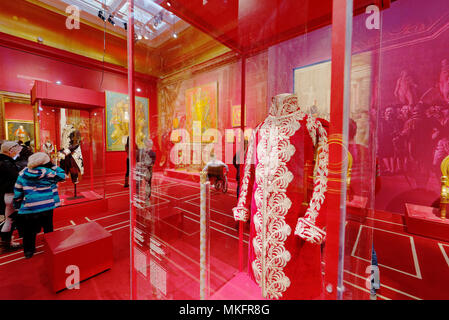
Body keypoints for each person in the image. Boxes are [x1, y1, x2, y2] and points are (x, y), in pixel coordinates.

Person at [13, 152, 66, 258]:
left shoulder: (23, 174)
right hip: (47, 205)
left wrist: (17, 202)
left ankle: (29, 251)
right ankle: (50, 247)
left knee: (29, 231)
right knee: (48, 227)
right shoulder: (49, 172)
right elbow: (63, 175)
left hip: (30, 207)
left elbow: (18, 190)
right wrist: (53, 165)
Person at [0, 141, 23, 251]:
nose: (17, 153)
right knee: (11, 219)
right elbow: (15, 178)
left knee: (8, 219)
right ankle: (7, 243)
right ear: (10, 151)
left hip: (7, 194)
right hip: (11, 193)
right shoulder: (6, 163)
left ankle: (6, 243)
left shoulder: (4, 161)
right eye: (16, 150)